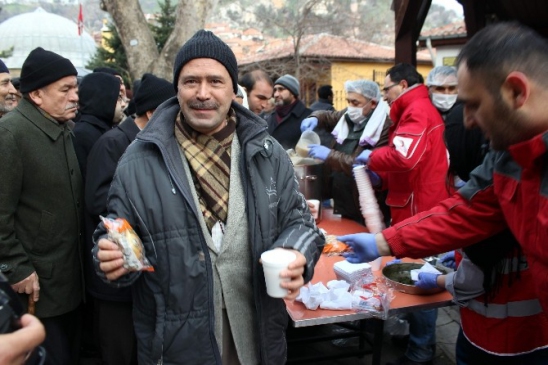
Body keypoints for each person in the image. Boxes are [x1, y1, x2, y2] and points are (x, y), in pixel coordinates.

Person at [93, 29, 323, 364]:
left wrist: (297, 252)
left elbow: (300, 222)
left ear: (233, 89)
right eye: (191, 82)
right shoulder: (138, 159)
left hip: (257, 335)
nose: (203, 93)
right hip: (177, 344)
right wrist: (110, 258)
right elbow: (116, 232)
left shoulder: (268, 152)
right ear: (177, 89)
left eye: (215, 81)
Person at [338, 21, 548, 361]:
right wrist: (383, 242)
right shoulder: (509, 156)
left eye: (473, 103)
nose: (466, 122)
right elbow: (467, 211)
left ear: (516, 92)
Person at [349, 63, 452, 365]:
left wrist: (374, 157)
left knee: (423, 278)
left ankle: (421, 350)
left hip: (421, 208)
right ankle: (415, 339)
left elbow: (403, 158)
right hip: (410, 203)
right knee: (409, 276)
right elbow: (411, 166)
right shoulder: (409, 111)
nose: (384, 96)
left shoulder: (417, 110)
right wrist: (383, 181)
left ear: (403, 85)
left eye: (387, 89)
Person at [83, 73, 175, 365]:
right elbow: (97, 202)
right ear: (151, 112)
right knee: (119, 352)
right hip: (114, 275)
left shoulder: (151, 143)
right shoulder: (113, 142)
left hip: (142, 276)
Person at [0, 47, 84, 364]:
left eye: (75, 88)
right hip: (35, 290)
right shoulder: (11, 135)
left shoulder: (62, 129)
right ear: (36, 94)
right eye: (66, 90)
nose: (75, 96)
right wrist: (16, 268)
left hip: (67, 282)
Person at [300, 80, 391, 225]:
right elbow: (328, 116)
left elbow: (361, 165)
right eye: (348, 102)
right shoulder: (348, 116)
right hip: (342, 198)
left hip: (365, 202)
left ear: (372, 103)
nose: (350, 107)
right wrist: (314, 117)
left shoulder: (383, 127)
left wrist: (329, 155)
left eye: (356, 103)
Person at [73, 72, 127, 181]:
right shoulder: (83, 134)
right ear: (104, 99)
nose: (123, 104)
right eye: (118, 98)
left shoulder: (104, 129)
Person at [265, 74, 312, 150]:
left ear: (293, 93)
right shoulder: (268, 117)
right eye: (275, 90)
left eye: (281, 89)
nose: (276, 94)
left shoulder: (308, 117)